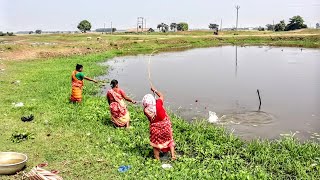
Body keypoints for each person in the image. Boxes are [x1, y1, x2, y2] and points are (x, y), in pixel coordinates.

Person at [142, 86, 176, 160]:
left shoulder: (145, 110)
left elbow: (151, 112)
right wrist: (155, 90)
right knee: (169, 140)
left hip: (155, 130)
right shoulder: (158, 103)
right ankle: (173, 156)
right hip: (165, 127)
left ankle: (157, 159)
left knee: (156, 145)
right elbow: (161, 96)